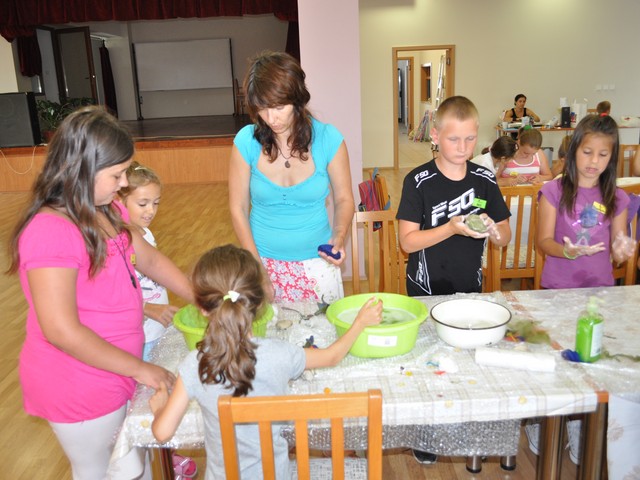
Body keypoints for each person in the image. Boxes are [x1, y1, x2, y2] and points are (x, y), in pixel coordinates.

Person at [7, 106, 194, 480]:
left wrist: (200, 296)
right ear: (82, 169)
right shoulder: (50, 231)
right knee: (103, 471)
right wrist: (142, 368)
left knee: (132, 467)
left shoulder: (104, 208)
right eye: (116, 174)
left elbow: (148, 259)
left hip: (115, 369)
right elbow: (61, 330)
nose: (123, 183)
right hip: (78, 382)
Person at [148, 244, 383, 479]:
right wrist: (360, 323)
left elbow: (162, 432)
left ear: (202, 308)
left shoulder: (195, 364)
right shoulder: (280, 354)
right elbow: (332, 356)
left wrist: (160, 409)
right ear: (259, 303)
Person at [397, 96, 511, 464]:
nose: (462, 148)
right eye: (453, 139)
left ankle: (461, 425)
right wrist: (450, 228)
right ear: (435, 136)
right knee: (427, 364)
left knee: (465, 363)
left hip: (468, 289)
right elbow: (407, 241)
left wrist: (494, 231)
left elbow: (504, 236)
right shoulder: (419, 181)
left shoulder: (484, 179)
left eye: (469, 139)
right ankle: (426, 432)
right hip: (426, 290)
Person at [531, 114, 636, 466]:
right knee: (555, 361)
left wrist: (623, 247)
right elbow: (544, 242)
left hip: (599, 292)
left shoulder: (616, 197)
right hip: (557, 289)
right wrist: (568, 251)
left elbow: (618, 246)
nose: (594, 162)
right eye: (588, 152)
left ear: (612, 157)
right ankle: (543, 421)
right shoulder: (554, 191)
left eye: (603, 155)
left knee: (590, 361)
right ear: (575, 149)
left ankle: (579, 425)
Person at [229, 51, 354, 304]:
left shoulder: (329, 139)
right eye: (262, 108)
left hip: (317, 262)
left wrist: (339, 236)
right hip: (261, 261)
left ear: (297, 99)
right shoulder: (246, 142)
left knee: (322, 330)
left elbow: (344, 199)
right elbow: (237, 208)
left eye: (279, 107)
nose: (270, 118)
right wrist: (257, 268)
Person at [119, 161, 197, 479]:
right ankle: (143, 455)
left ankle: (164, 451)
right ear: (119, 200)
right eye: (142, 203)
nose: (150, 210)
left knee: (158, 394)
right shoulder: (118, 241)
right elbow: (117, 293)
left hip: (155, 332)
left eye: (156, 203)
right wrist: (149, 310)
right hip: (138, 336)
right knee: (141, 401)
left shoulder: (145, 234)